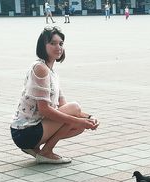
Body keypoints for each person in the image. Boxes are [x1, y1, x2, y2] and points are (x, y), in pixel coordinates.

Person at [10, 27, 99, 164]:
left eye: (61, 44)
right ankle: (46, 152)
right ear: (42, 46)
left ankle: (35, 148)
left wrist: (89, 118)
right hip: (24, 132)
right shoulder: (40, 69)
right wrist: (79, 120)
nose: (58, 47)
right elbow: (45, 109)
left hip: (32, 130)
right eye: (52, 43)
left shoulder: (51, 72)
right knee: (75, 111)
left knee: (79, 125)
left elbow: (64, 106)